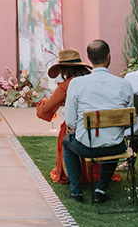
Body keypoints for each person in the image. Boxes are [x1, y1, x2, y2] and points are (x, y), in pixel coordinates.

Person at [62, 39, 134, 204]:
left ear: (89, 58)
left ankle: (76, 192)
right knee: (113, 141)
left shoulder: (76, 84)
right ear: (109, 57)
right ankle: (100, 189)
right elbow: (127, 120)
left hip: (88, 148)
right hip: (116, 145)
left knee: (67, 142)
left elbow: (70, 121)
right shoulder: (124, 84)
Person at [36, 49, 96, 185]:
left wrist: (44, 102)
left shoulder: (67, 85)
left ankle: (73, 175)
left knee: (66, 130)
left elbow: (46, 109)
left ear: (63, 70)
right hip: (98, 127)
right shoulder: (91, 79)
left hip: (77, 129)